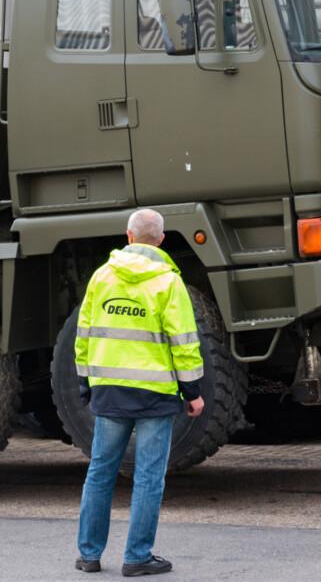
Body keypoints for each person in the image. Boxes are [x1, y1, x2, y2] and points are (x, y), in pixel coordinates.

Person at [74, 209, 205, 577]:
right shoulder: (168, 283)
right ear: (161, 240)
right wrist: (192, 390)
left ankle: (88, 554)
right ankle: (137, 557)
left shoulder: (102, 277)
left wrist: (86, 380)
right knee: (148, 477)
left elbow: (84, 333)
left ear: (128, 237)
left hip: (110, 390)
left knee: (101, 472)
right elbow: (184, 342)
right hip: (154, 394)